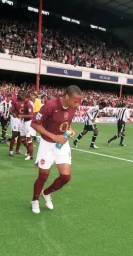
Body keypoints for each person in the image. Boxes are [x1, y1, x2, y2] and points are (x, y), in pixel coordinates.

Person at [30, 85, 82, 214]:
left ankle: (46, 193)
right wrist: (53, 136)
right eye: (75, 101)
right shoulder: (50, 106)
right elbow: (34, 124)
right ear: (67, 96)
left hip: (62, 144)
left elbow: (66, 124)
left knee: (66, 177)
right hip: (47, 144)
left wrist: (70, 131)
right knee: (44, 175)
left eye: (78, 102)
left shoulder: (72, 108)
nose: (77, 104)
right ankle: (35, 200)